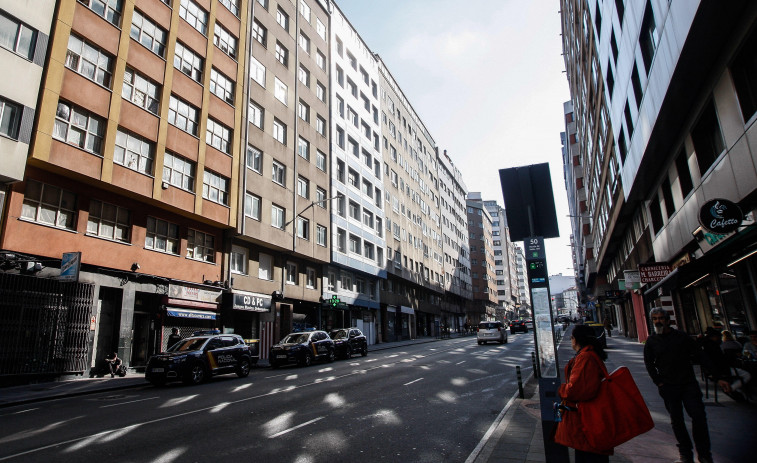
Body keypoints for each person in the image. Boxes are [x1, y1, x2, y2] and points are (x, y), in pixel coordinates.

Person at [643, 308, 715, 463]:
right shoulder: (651, 341)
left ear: (668, 320)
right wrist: (659, 382)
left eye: (661, 318)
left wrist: (716, 375)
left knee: (698, 417)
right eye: (655, 319)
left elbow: (699, 354)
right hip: (668, 386)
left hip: (688, 383)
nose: (658, 321)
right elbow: (649, 363)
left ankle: (704, 454)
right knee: (677, 420)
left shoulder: (681, 337)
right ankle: (685, 453)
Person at [554, 324, 612, 463]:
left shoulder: (585, 358)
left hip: (589, 421)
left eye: (571, 337)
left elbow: (576, 390)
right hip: (590, 419)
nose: (571, 340)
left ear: (577, 339)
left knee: (588, 456)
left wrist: (561, 389)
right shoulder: (589, 355)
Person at [701, 327, 751, 402]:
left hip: (715, 371)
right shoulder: (716, 347)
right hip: (723, 370)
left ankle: (732, 388)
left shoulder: (707, 347)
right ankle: (731, 388)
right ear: (715, 337)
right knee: (746, 375)